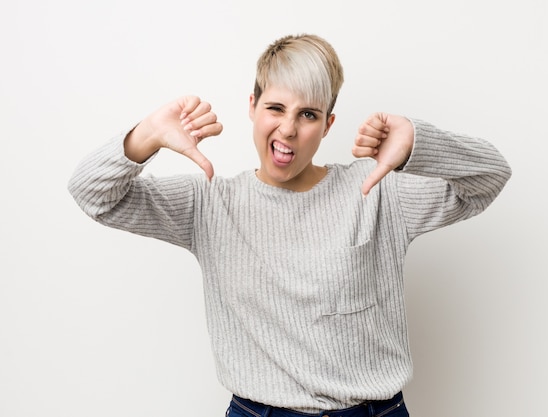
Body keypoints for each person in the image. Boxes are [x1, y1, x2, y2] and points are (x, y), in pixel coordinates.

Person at [68, 33, 512, 415]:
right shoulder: (210, 203)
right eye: (275, 107)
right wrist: (145, 135)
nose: (288, 129)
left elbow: (489, 178)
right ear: (252, 106)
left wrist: (419, 141)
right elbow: (92, 194)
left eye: (308, 114)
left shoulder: (376, 190)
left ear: (327, 125)